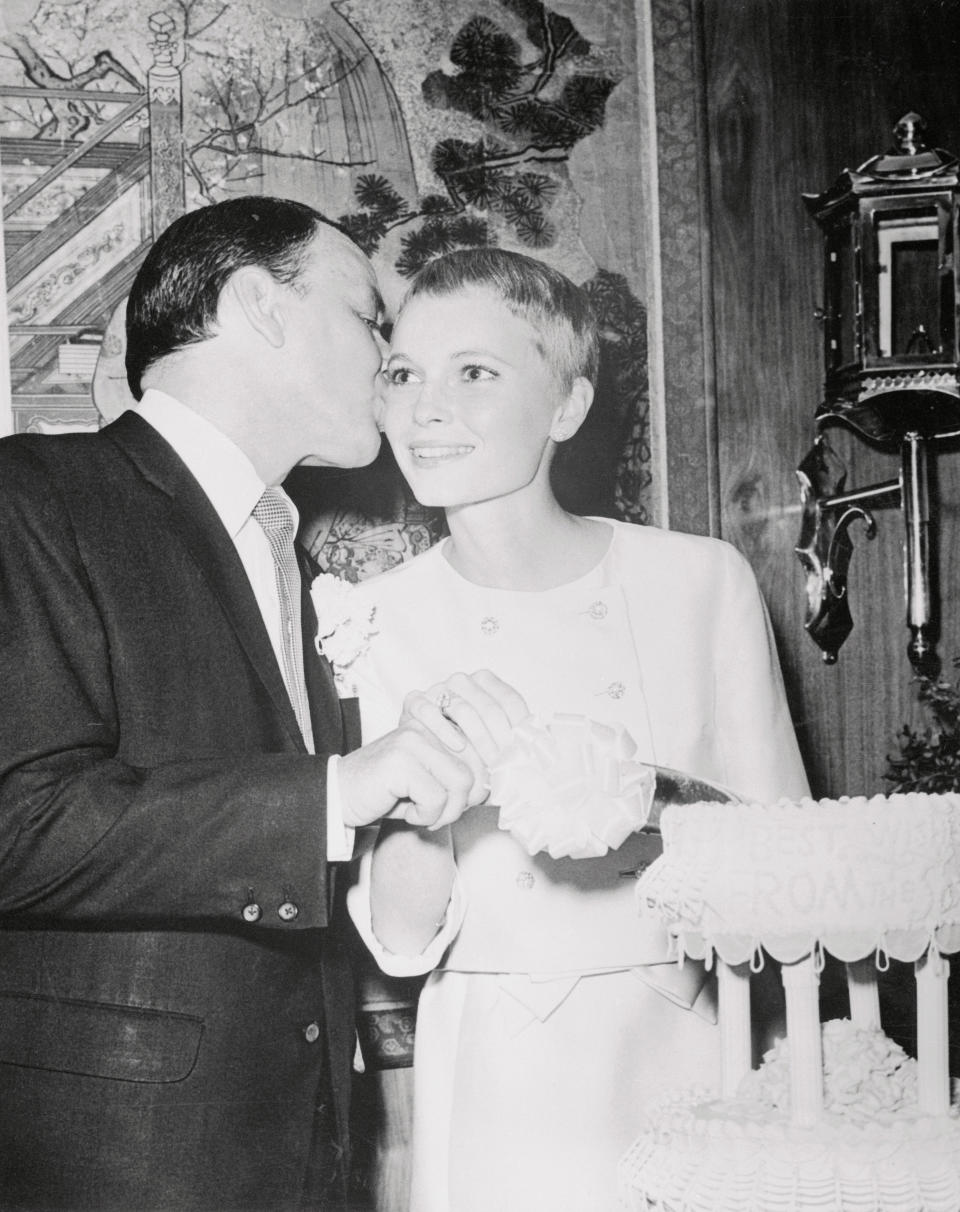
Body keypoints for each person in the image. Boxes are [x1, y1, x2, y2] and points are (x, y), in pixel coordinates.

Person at [0, 198, 525, 1211]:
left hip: (298, 1155)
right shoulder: (29, 494)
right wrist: (334, 793)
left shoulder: (286, 549)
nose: (387, 361)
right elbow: (17, 821)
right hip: (110, 1166)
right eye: (368, 319)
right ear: (259, 306)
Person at [345, 247, 811, 1211]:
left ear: (567, 406)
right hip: (493, 1073)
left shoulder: (701, 580)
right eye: (403, 373)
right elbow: (398, 934)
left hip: (689, 1039)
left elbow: (792, 873)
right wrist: (425, 805)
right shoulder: (368, 620)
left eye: (474, 372)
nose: (425, 408)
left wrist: (649, 800)